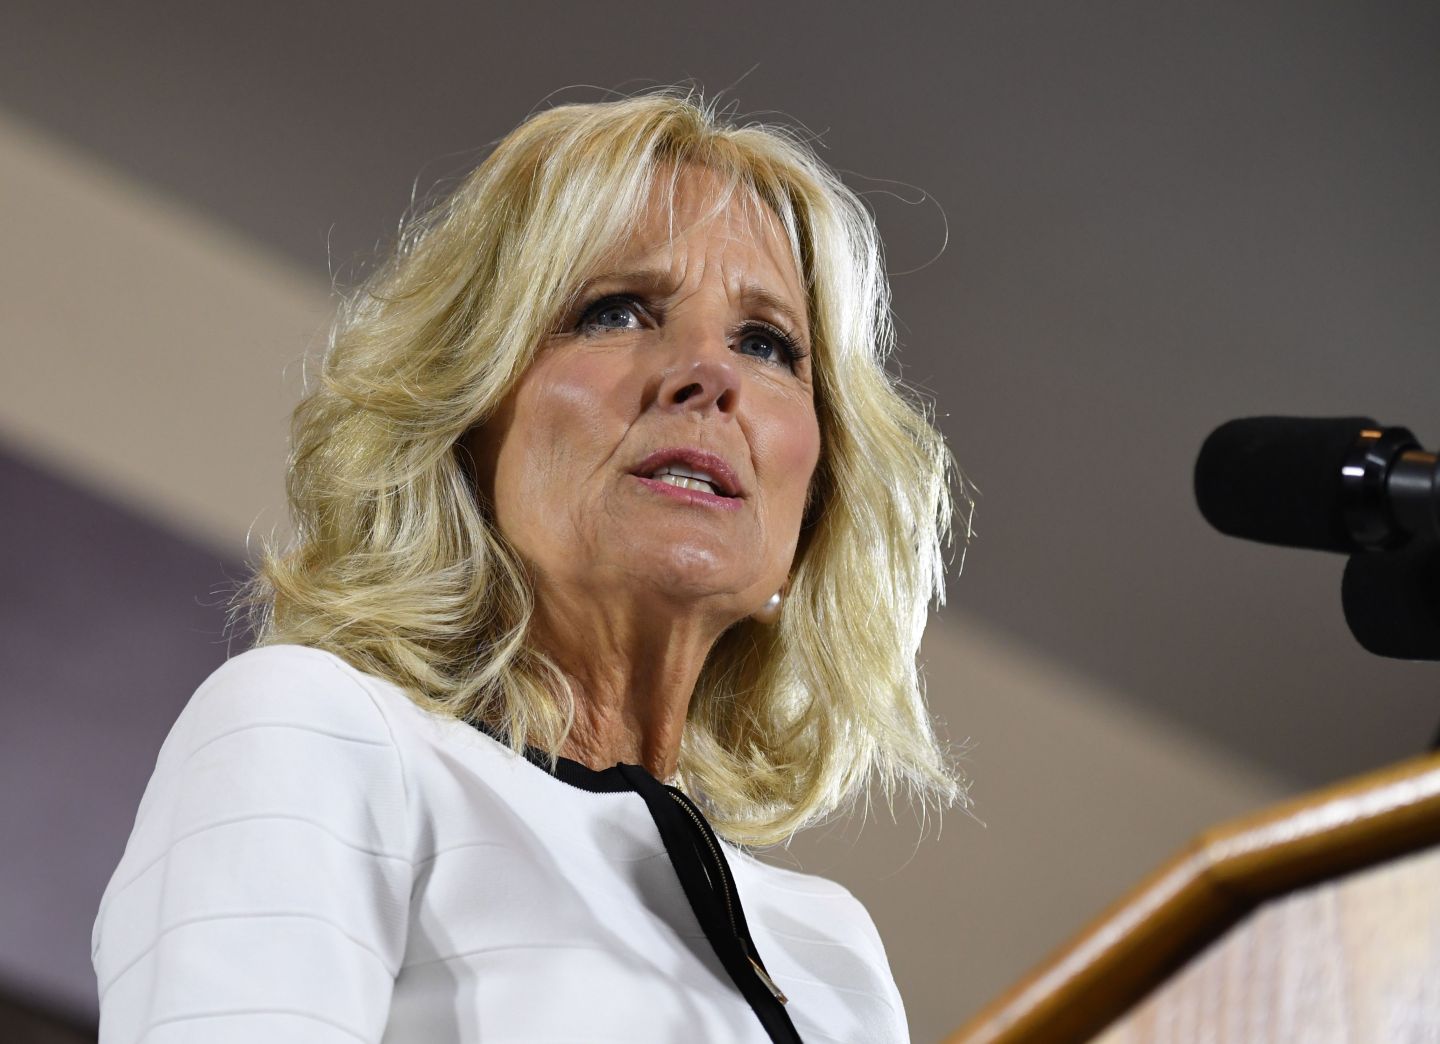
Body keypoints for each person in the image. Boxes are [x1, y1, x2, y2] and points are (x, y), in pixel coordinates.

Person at [91, 91, 963, 1043]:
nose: (708, 374)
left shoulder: (832, 952)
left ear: (817, 496)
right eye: (617, 311)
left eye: (765, 343)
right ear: (466, 422)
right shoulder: (318, 729)